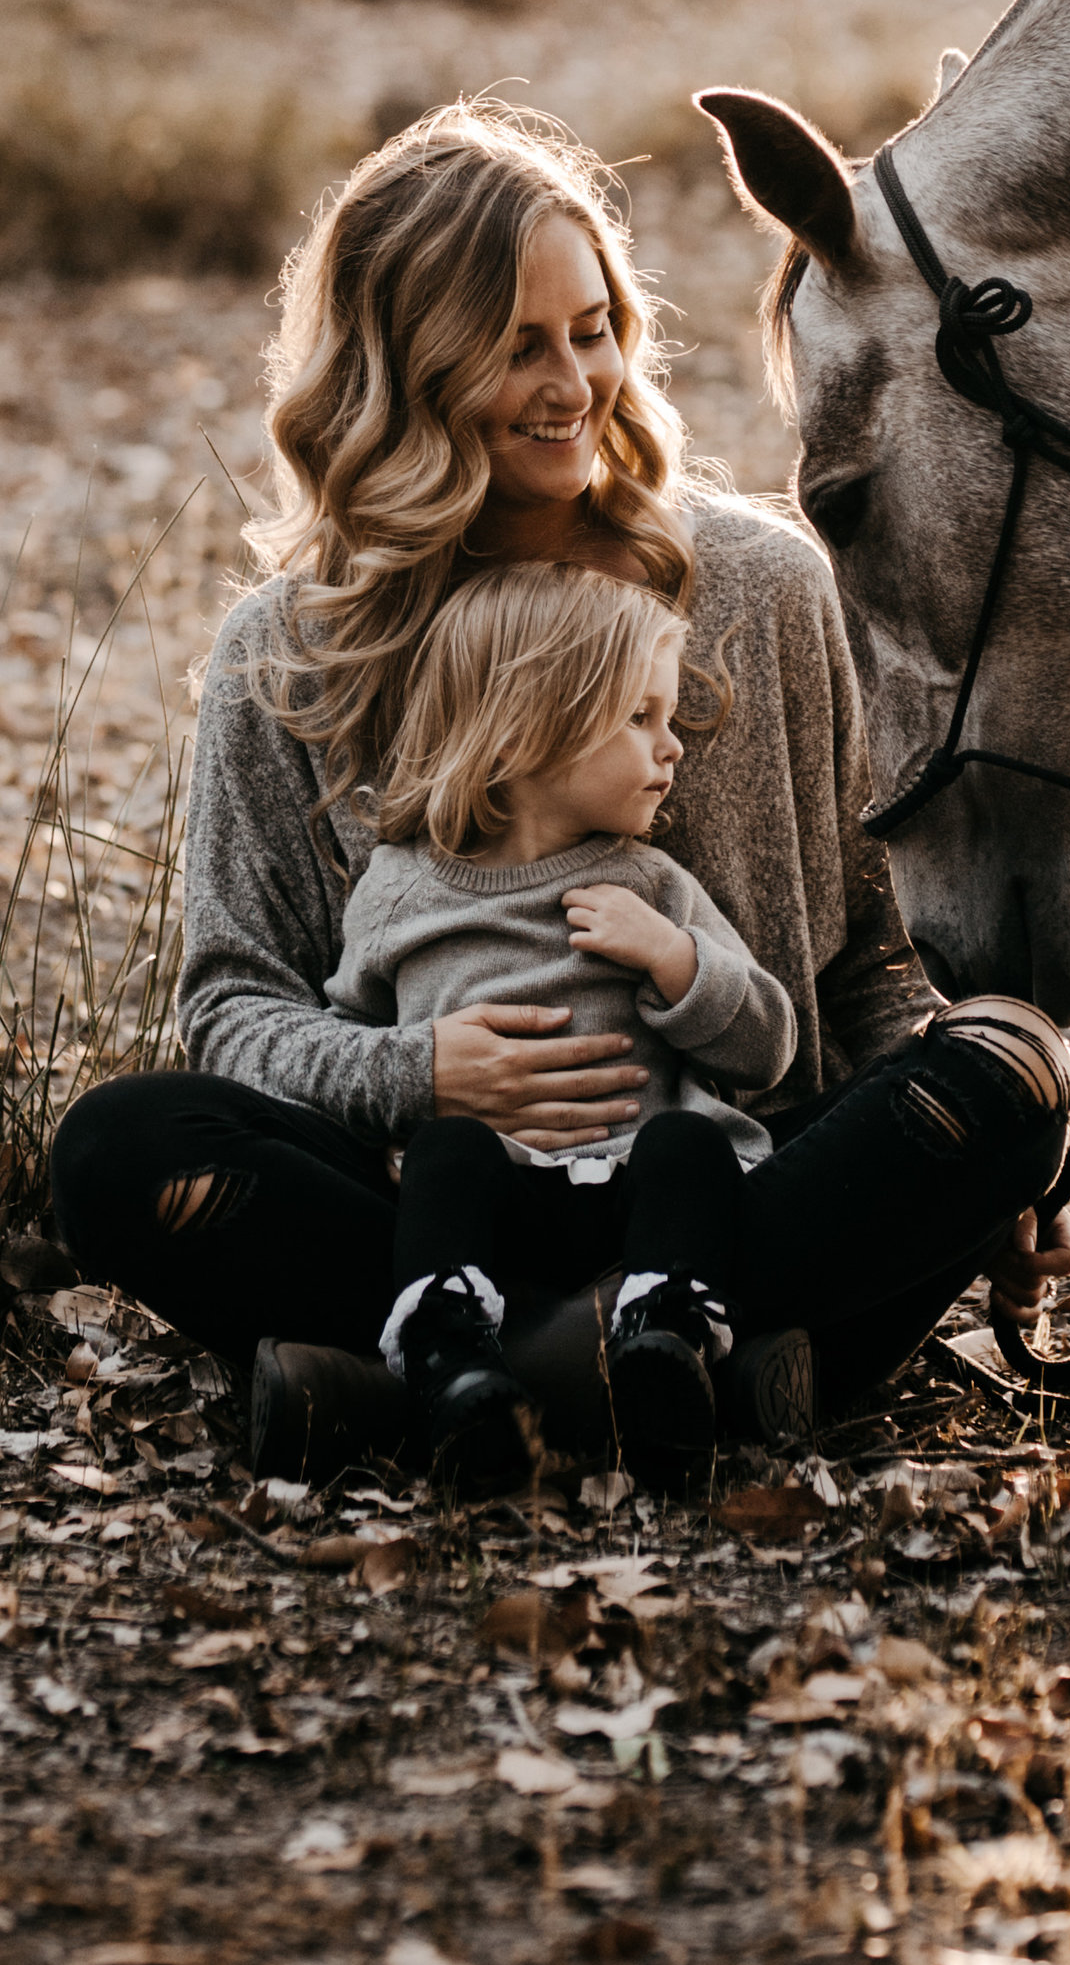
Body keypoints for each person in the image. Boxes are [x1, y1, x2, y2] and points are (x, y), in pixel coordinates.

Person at [48, 98, 1070, 1474]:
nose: (572, 378)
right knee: (114, 1150)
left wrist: (984, 1167)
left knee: (1013, 1065)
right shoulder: (290, 649)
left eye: (592, 328)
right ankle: (681, 1374)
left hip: (717, 1183)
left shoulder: (758, 588)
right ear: (403, 367)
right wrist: (414, 1070)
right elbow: (237, 1003)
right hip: (434, 1198)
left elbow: (860, 968)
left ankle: (429, 1384)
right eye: (516, 344)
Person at [333, 564, 796, 1497]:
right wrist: (412, 1082)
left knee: (689, 1146)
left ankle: (662, 1338)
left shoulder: (656, 887)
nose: (672, 749)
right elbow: (346, 1043)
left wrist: (674, 960)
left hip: (634, 1205)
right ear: (528, 724)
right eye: (641, 718)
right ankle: (453, 1360)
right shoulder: (398, 891)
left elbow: (766, 1047)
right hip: (499, 1205)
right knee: (449, 1155)